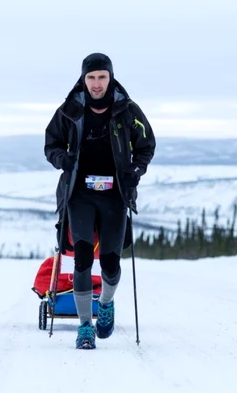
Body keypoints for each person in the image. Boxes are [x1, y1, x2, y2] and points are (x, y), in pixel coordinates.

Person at [44, 52, 156, 349]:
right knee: (81, 261)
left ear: (111, 77)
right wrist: (62, 160)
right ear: (83, 78)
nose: (96, 83)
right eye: (91, 77)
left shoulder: (128, 110)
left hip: (114, 195)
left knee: (109, 263)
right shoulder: (69, 110)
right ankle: (84, 327)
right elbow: (50, 143)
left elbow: (146, 145)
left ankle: (105, 303)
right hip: (78, 194)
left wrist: (135, 171)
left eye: (101, 77)